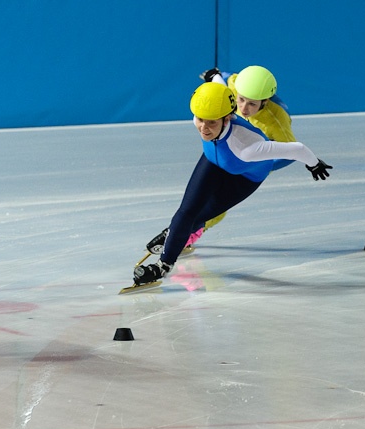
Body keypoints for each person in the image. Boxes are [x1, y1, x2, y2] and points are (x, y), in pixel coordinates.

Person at [133, 82, 332, 286]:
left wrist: (314, 164)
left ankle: (167, 254)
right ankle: (165, 257)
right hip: (214, 159)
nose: (204, 128)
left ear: (227, 117)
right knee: (186, 212)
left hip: (243, 177)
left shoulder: (249, 147)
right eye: (200, 120)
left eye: (211, 123)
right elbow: (220, 87)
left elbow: (296, 149)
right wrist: (216, 76)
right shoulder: (211, 113)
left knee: (201, 216)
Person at [144, 65, 298, 256]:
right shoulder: (234, 84)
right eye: (241, 100)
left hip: (250, 160)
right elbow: (225, 78)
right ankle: (186, 228)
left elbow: (290, 153)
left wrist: (262, 165)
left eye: (252, 104)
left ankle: (196, 230)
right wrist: (212, 75)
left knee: (219, 202)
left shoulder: (277, 120)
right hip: (227, 145)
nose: (243, 108)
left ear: (265, 102)